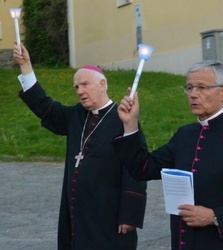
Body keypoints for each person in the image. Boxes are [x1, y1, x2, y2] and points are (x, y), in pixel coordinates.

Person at [112, 60, 223, 249]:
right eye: (189, 88)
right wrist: (130, 124)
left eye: (201, 87)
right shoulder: (185, 135)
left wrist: (214, 216)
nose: (193, 94)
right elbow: (144, 168)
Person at [13, 43, 147, 250]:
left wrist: (130, 214)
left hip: (108, 213)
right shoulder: (76, 116)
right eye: (76, 87)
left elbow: (136, 169)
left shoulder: (123, 119)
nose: (80, 91)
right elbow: (44, 107)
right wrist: (26, 66)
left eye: (85, 84)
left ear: (102, 84)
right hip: (76, 212)